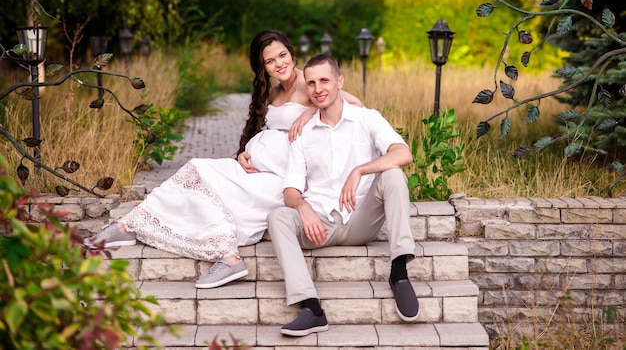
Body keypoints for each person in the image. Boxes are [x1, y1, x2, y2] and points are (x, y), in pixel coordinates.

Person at [87, 30, 362, 289]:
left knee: (211, 189)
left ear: (291, 53)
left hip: (286, 181)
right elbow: (270, 131)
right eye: (269, 61)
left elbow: (356, 105)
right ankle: (129, 226)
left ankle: (224, 257)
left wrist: (312, 110)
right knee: (195, 171)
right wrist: (246, 153)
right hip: (258, 170)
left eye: (282, 55)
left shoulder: (309, 82)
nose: (279, 63)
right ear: (262, 67)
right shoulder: (274, 92)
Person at [266, 54, 419, 337]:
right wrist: (301, 206)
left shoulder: (366, 118)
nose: (318, 88)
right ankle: (311, 309)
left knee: (393, 174)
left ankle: (399, 272)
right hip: (320, 225)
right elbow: (290, 190)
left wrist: (360, 170)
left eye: (324, 80)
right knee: (278, 217)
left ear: (339, 81)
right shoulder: (303, 132)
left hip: (361, 219)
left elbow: (403, 154)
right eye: (311, 83)